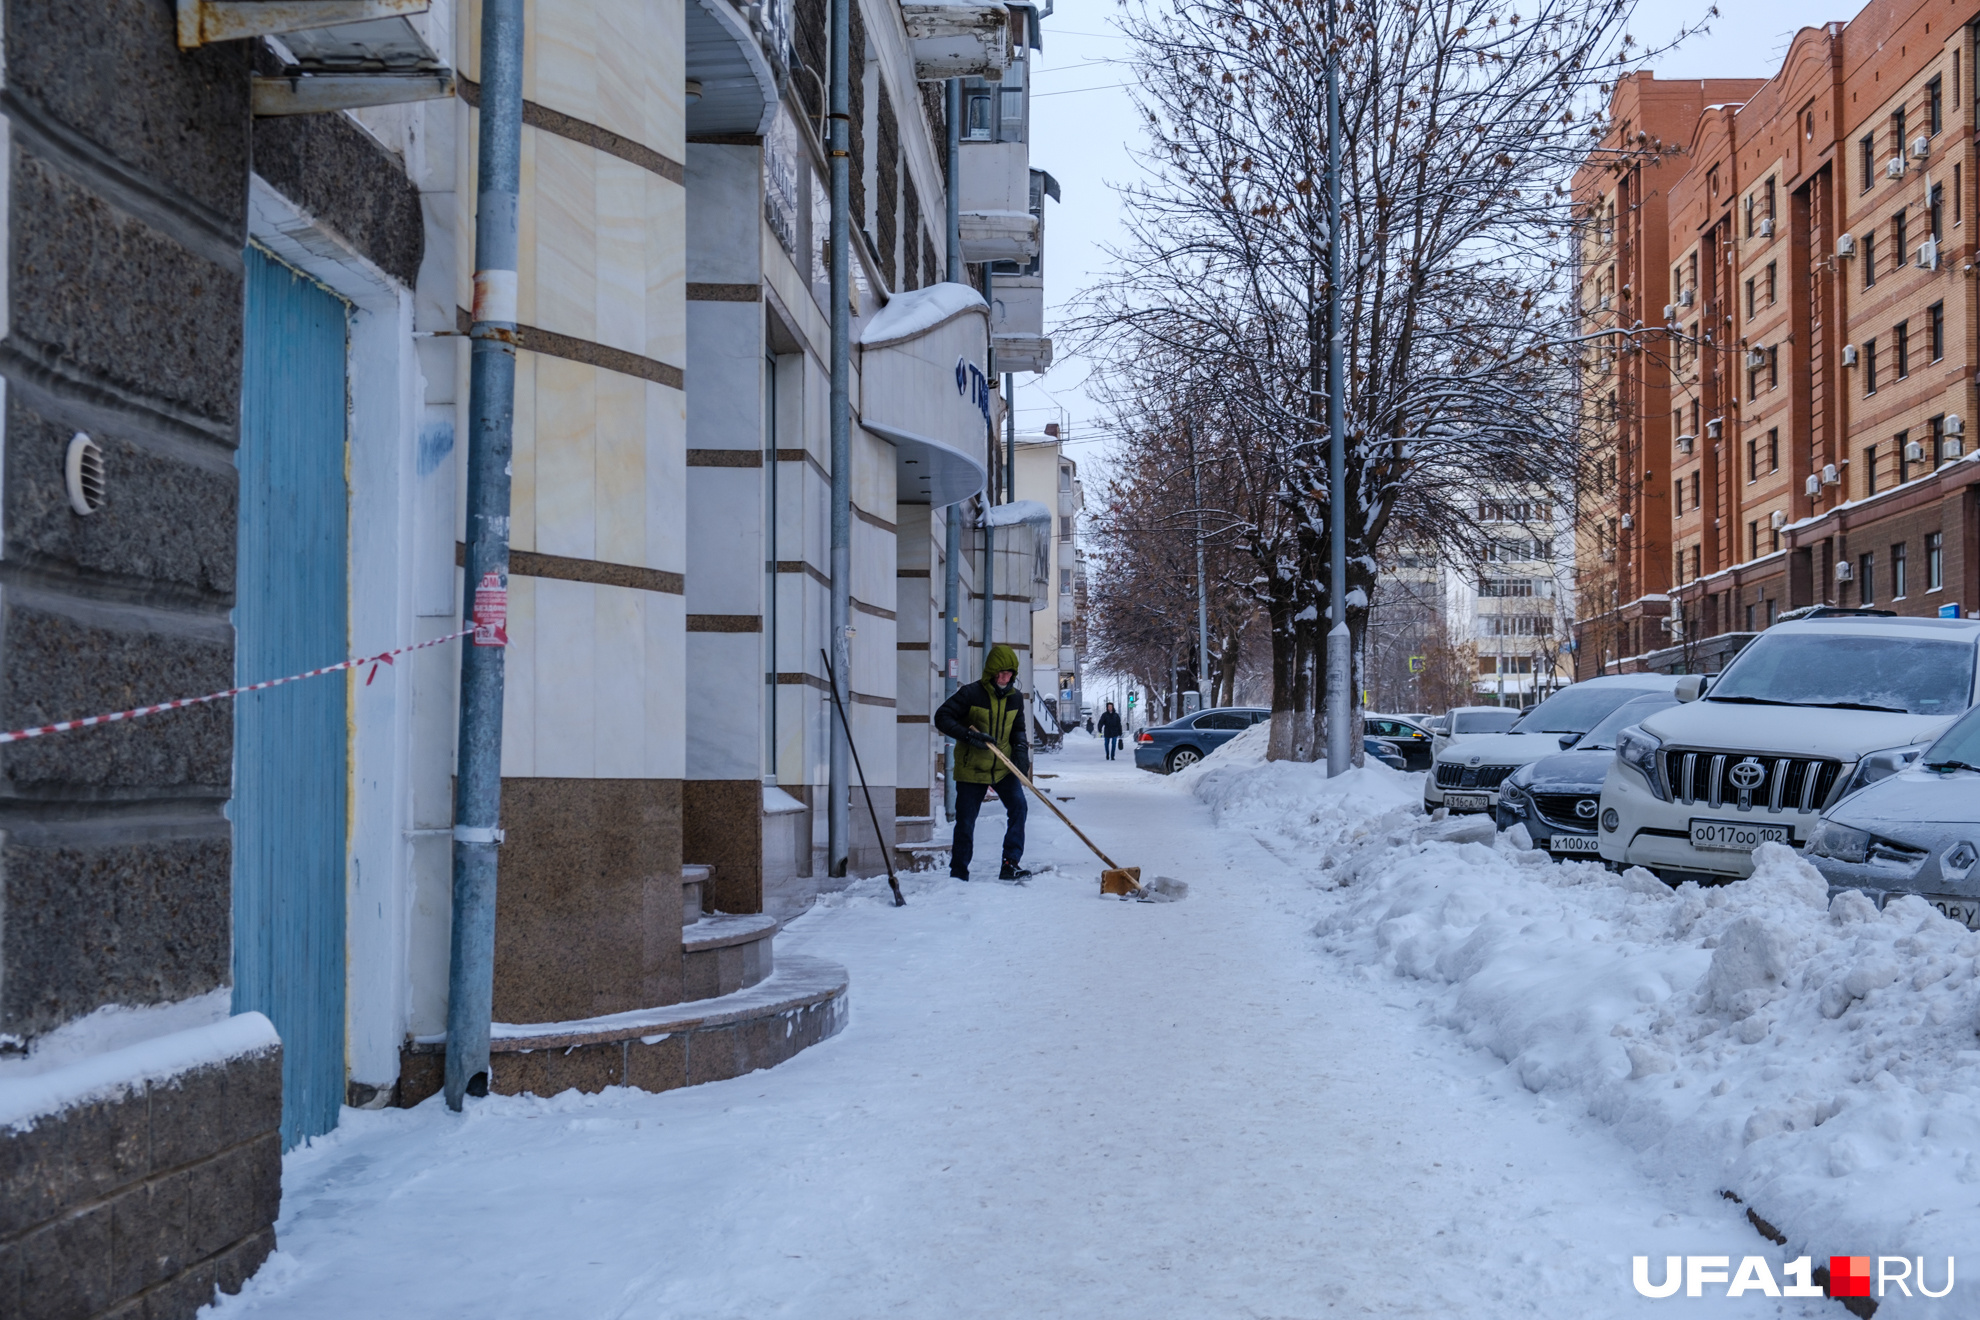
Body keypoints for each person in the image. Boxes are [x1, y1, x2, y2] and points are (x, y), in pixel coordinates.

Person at [934, 644, 1031, 881]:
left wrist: (1020, 751)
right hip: (972, 769)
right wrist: (969, 736)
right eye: (999, 673)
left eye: (1008, 673)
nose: (1003, 677)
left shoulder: (1015, 698)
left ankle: (1010, 863)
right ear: (990, 672)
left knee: (1019, 808)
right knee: (966, 822)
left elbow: (1018, 728)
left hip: (1002, 767)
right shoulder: (971, 694)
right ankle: (959, 872)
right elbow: (942, 717)